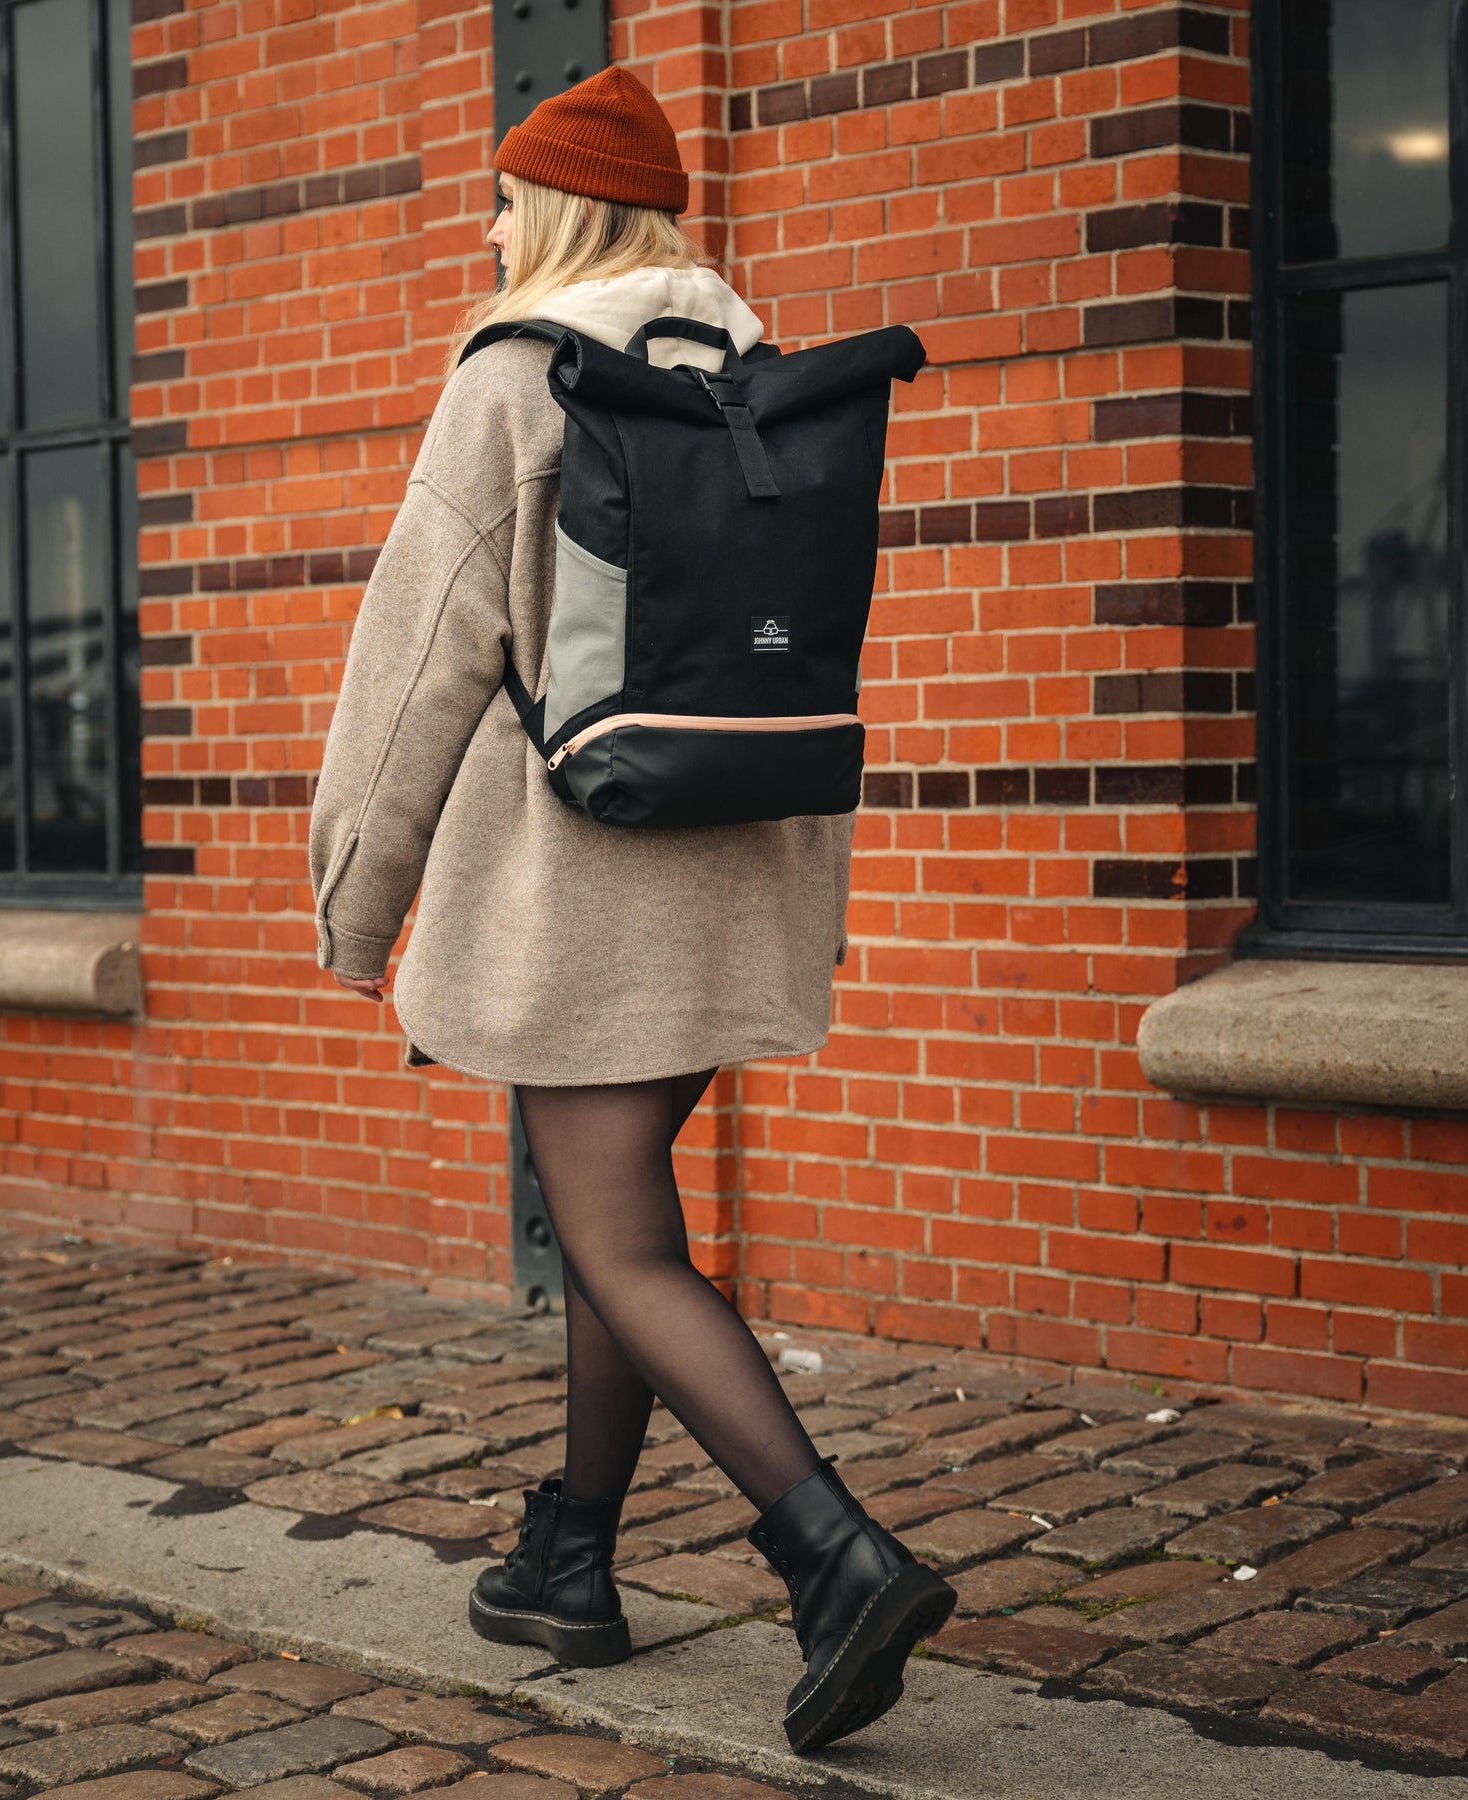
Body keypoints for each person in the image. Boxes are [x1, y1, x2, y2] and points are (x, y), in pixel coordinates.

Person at [307, 63, 955, 1754]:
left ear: (558, 207)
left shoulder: (518, 380)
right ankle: (570, 1559)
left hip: (581, 884)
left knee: (615, 1237)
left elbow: (414, 669)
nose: (490, 221)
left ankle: (836, 1560)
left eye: (504, 195)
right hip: (745, 867)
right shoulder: (755, 375)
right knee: (620, 1214)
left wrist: (354, 906)